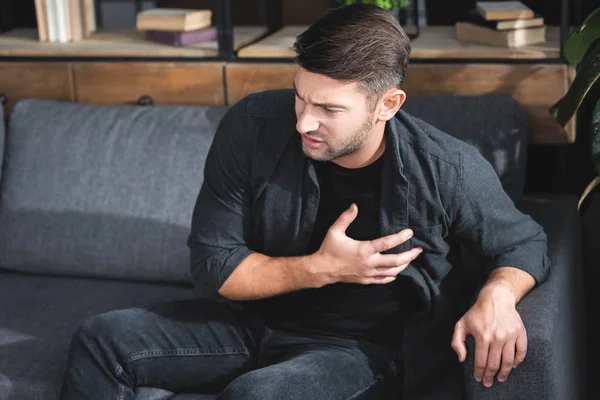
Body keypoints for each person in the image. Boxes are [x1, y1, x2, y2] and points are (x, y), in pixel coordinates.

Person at [60, 4, 550, 400]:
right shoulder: (253, 125)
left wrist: (498, 296)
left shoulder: (447, 168)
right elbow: (214, 266)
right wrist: (323, 268)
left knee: (260, 395)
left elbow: (524, 243)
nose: (303, 123)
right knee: (101, 339)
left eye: (329, 109)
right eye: (300, 97)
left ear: (388, 105)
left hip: (358, 350)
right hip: (253, 321)